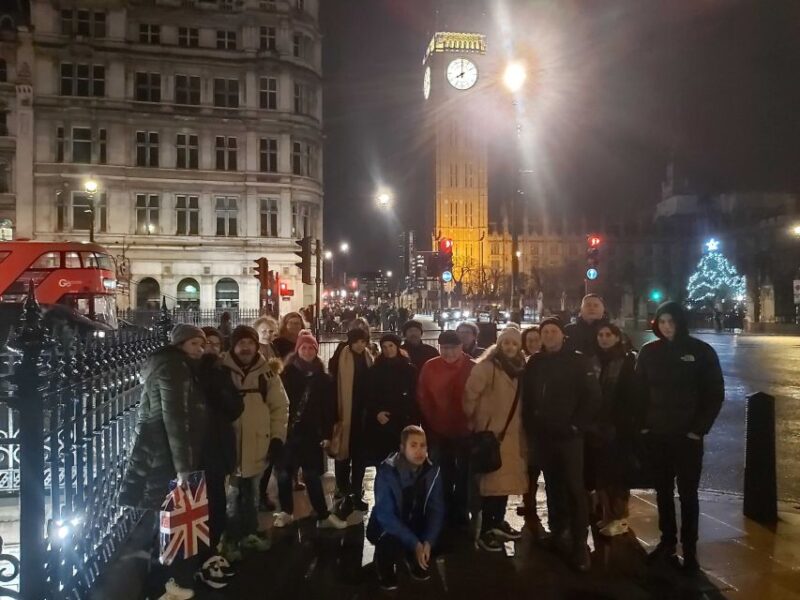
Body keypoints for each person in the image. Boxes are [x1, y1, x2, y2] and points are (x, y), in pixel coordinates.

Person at [119, 324, 209, 599]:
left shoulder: (168, 363)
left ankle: (162, 580)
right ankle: (164, 582)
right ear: (181, 344)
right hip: (165, 454)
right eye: (195, 344)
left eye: (202, 344)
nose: (200, 349)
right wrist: (183, 467)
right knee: (168, 518)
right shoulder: (174, 368)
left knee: (162, 517)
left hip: (156, 449)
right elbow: (175, 418)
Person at [634, 301, 724, 574]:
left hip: (687, 437)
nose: (667, 327)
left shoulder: (700, 351)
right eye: (662, 322)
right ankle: (667, 541)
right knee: (662, 491)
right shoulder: (649, 352)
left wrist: (698, 429)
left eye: (671, 322)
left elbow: (714, 393)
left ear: (680, 322)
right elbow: (638, 393)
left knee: (688, 494)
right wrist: (643, 426)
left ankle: (691, 548)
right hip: (658, 434)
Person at [522, 317, 601, 571]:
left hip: (569, 437)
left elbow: (592, 397)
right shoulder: (536, 362)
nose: (549, 336)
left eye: (553, 331)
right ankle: (558, 532)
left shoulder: (578, 361)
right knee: (553, 487)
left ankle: (579, 545)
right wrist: (531, 427)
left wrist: (577, 425)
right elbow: (527, 396)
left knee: (574, 489)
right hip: (543, 437)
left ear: (562, 335)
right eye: (545, 332)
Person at [220, 325, 289, 558]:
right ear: (234, 345)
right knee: (230, 496)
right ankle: (229, 539)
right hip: (229, 444)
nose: (246, 347)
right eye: (241, 343)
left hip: (258, 443)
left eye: (250, 343)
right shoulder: (221, 370)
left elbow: (280, 407)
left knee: (251, 494)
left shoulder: (267, 372)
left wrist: (278, 438)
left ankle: (248, 533)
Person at [273, 330, 348, 530]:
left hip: (310, 434)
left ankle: (323, 514)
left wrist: (326, 435)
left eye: (311, 348)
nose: (307, 351)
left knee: (312, 475)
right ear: (297, 350)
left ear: (316, 351)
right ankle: (286, 511)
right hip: (288, 432)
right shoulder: (286, 375)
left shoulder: (323, 378)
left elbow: (328, 409)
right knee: (284, 475)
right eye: (303, 347)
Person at [464, 325, 528, 553]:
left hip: (512, 435)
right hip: (491, 435)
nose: (510, 347)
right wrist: (473, 422)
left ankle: (497, 521)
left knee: (505, 484)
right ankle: (485, 529)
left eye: (514, 343)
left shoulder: (520, 367)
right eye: (506, 343)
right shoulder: (487, 367)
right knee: (491, 484)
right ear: (499, 345)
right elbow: (469, 396)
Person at [366, 425, 445, 591]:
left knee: (442, 535)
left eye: (423, 445)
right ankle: (384, 565)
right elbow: (386, 515)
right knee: (390, 540)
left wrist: (428, 542)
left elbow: (436, 509)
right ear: (402, 448)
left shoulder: (432, 471)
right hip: (385, 527)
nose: (419, 451)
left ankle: (414, 558)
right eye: (413, 445)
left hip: (414, 522)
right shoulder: (387, 472)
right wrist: (415, 543)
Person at [197, 326, 244, 583]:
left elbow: (236, 407)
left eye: (215, 344)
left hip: (217, 447)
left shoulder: (221, 373)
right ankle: (199, 556)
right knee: (195, 508)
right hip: (195, 451)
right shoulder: (187, 373)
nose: (210, 348)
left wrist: (221, 388)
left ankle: (212, 551)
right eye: (204, 343)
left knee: (215, 503)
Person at [416, 330, 474, 529]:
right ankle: (445, 509)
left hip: (466, 431)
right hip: (438, 430)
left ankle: (462, 510)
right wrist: (432, 424)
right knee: (442, 472)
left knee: (465, 473)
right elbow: (423, 397)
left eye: (453, 348)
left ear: (461, 347)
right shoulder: (430, 367)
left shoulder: (472, 367)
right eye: (444, 348)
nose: (448, 353)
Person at [588, 323, 637, 537]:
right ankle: (607, 516)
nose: (604, 338)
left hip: (617, 427)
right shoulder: (593, 360)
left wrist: (621, 424)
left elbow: (630, 396)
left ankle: (619, 517)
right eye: (601, 335)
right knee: (601, 474)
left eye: (609, 335)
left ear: (617, 338)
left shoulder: (627, 361)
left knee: (616, 476)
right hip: (596, 425)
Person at [329, 327, 374, 512]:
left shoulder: (368, 357)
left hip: (362, 413)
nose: (360, 345)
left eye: (363, 342)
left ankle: (356, 491)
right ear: (350, 341)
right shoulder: (340, 357)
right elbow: (332, 383)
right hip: (344, 411)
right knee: (343, 454)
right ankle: (343, 490)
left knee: (360, 456)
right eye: (357, 341)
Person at [364, 333, 419, 467]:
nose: (388, 349)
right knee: (383, 461)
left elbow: (414, 395)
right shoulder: (375, 370)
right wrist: (377, 412)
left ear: (397, 347)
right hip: (382, 420)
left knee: (404, 459)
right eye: (384, 347)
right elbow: (370, 394)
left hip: (403, 419)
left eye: (391, 346)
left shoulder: (409, 369)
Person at [517, 324, 546, 537]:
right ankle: (529, 504)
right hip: (528, 423)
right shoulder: (521, 364)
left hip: (549, 423)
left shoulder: (551, 362)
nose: (534, 344)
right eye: (530, 341)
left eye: (537, 340)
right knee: (530, 468)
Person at [564, 294, 608, 359]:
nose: (592, 308)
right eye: (588, 305)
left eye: (596, 305)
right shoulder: (568, 330)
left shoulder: (611, 332)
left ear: (603, 310)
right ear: (581, 309)